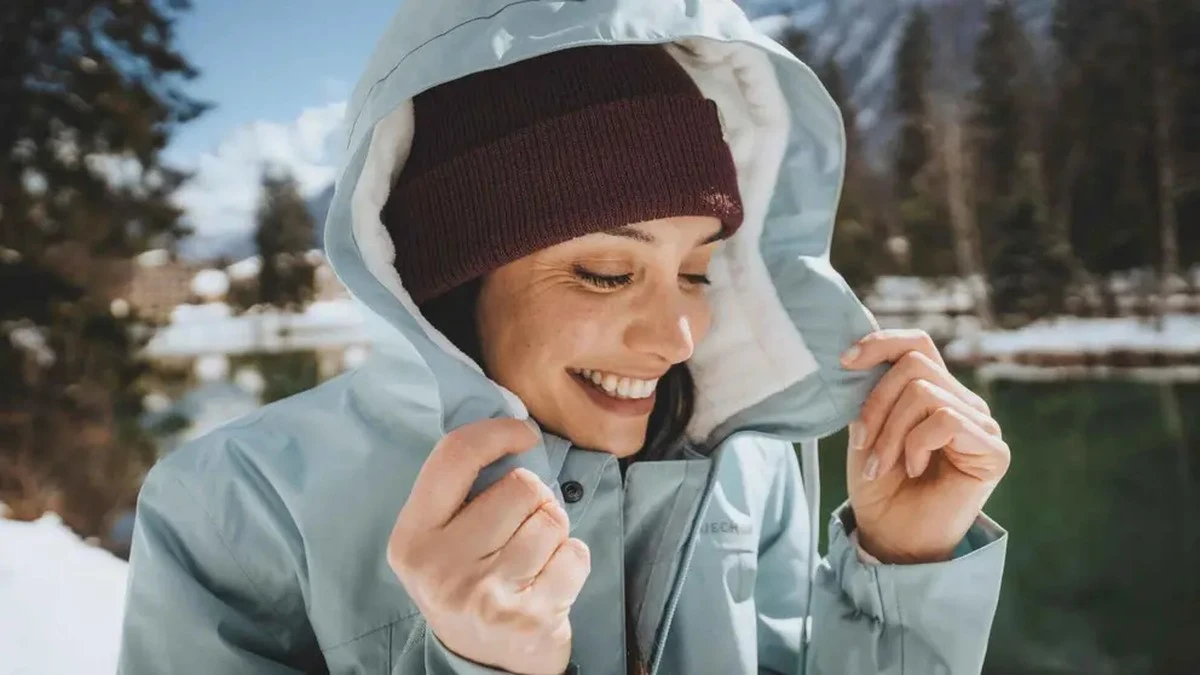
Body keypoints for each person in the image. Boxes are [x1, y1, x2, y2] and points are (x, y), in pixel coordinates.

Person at [117, 2, 1010, 674]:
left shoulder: (755, 466)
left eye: (697, 271)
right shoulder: (233, 506)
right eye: (606, 273)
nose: (675, 334)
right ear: (450, 281)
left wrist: (900, 576)